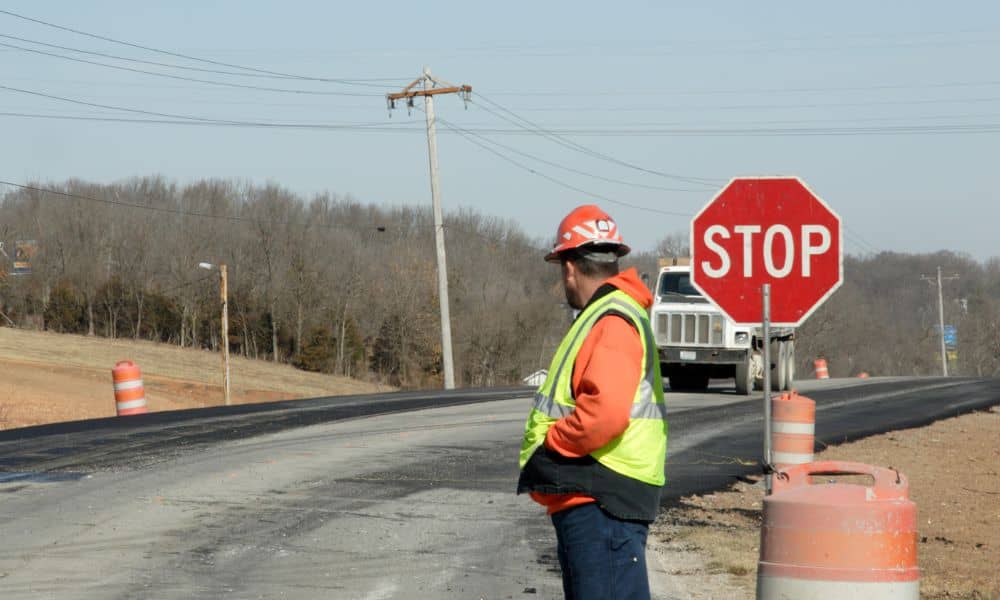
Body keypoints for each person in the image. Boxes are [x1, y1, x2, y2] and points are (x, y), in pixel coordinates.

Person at [518, 204, 668, 599]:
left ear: (569, 267)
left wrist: (552, 445)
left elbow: (604, 414)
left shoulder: (611, 319)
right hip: (600, 500)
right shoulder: (607, 314)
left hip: (601, 502)